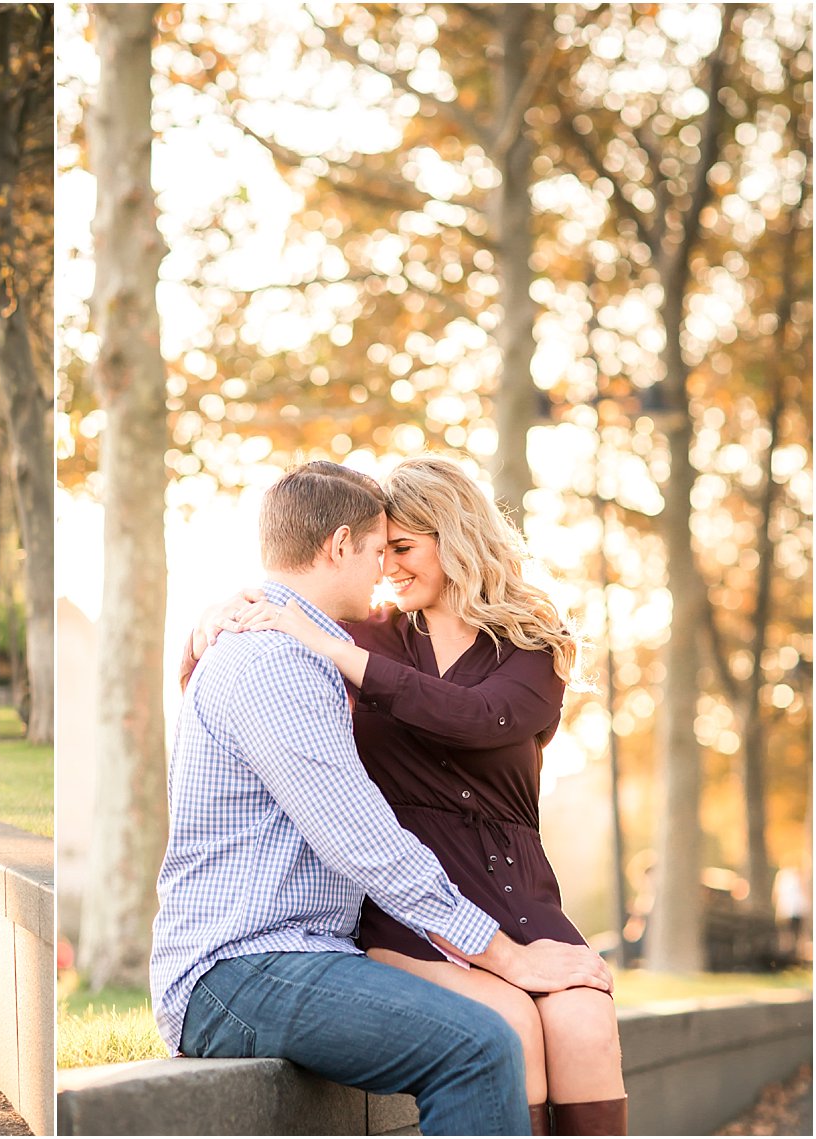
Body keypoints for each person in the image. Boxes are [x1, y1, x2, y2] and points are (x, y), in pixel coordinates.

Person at [154, 460, 613, 1138]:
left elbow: (473, 715)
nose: (383, 573)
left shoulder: (322, 649)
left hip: (310, 950)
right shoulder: (278, 659)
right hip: (244, 963)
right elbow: (365, 841)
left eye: (401, 549)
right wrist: (507, 957)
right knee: (485, 1043)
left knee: (561, 1024)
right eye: (378, 550)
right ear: (341, 544)